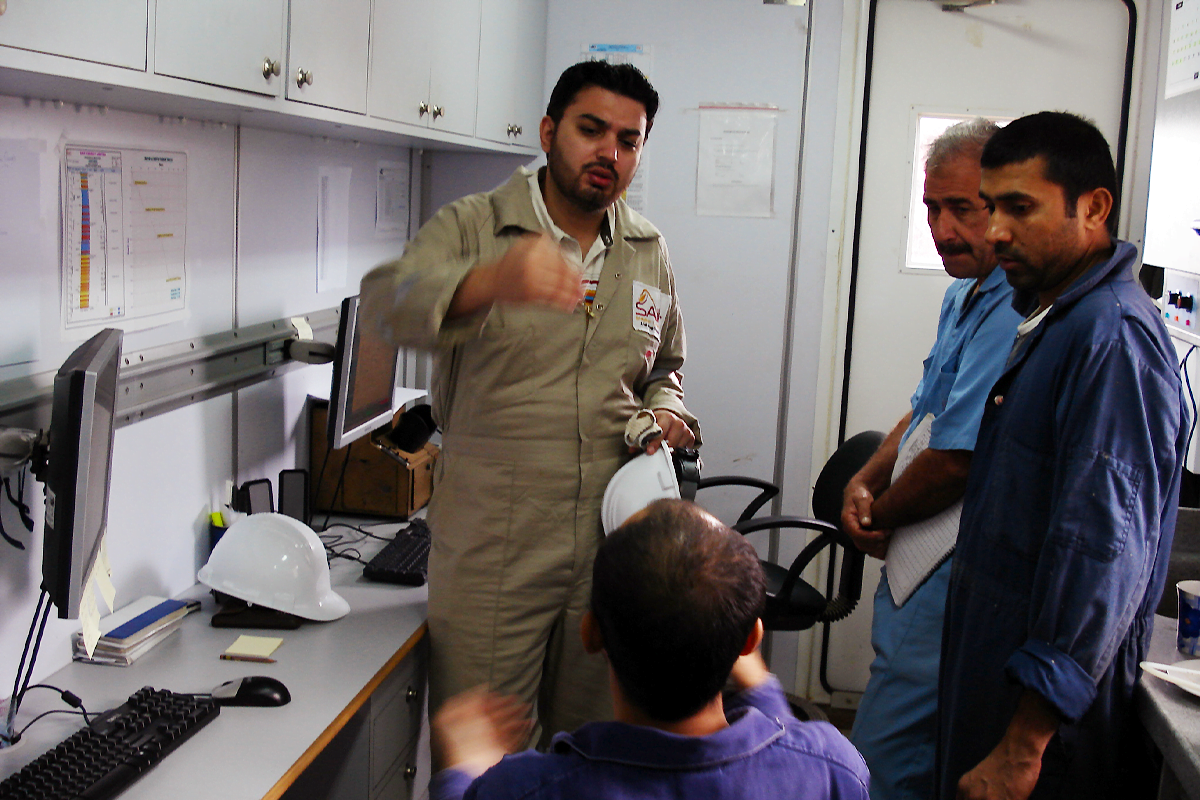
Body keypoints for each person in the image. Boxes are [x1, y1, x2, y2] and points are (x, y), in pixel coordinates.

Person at [359, 60, 700, 746]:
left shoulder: (646, 248)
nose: (609, 152)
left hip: (610, 544)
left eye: (629, 140)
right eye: (591, 129)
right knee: (489, 759)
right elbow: (381, 308)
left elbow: (665, 365)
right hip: (495, 548)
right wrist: (489, 281)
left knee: (596, 751)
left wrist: (668, 410)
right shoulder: (476, 226)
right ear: (549, 131)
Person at [935, 111, 1187, 800]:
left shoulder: (1112, 343)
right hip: (999, 683)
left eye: (1019, 208)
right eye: (990, 208)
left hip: (1046, 736)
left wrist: (1024, 746)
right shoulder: (1057, 318)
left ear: (1094, 207)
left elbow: (1099, 555)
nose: (993, 232)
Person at [428, 499, 870, 800]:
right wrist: (763, 692)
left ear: (591, 634)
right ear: (752, 641)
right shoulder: (832, 765)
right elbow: (783, 755)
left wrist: (461, 769)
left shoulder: (526, 787)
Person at [841, 118, 1020, 800]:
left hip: (949, 563)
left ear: (1001, 205)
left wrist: (877, 515)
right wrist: (862, 482)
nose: (944, 228)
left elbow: (954, 460)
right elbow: (924, 410)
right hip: (914, 558)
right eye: (931, 208)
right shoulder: (960, 295)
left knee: (887, 760)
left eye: (962, 209)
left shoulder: (1013, 303)